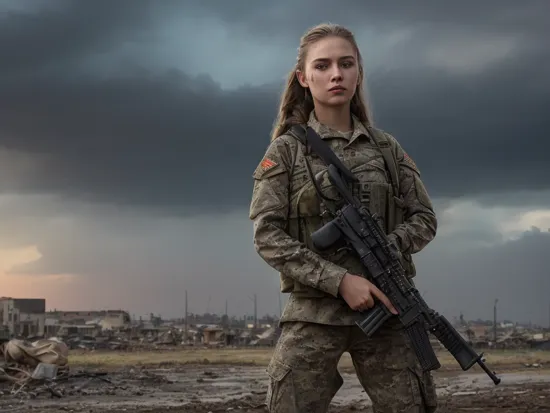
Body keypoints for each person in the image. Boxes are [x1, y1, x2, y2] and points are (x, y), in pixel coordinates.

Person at [249, 22, 438, 413]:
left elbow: (423, 219)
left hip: (386, 309)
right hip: (313, 313)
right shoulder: (286, 152)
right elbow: (267, 235)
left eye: (346, 63)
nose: (336, 74)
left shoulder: (387, 149)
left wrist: (385, 251)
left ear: (358, 73)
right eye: (322, 66)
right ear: (303, 77)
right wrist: (340, 282)